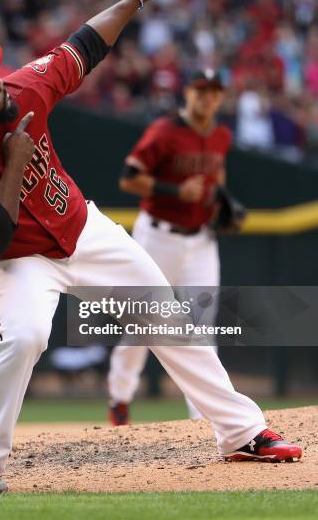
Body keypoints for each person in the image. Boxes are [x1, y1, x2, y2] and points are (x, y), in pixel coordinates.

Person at [0, 0, 302, 495]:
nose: (2, 81)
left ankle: (242, 431)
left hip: (81, 228)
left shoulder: (21, 92)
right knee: (23, 336)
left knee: (167, 315)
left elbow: (83, 46)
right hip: (18, 259)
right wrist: (14, 169)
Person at [107, 69, 231, 424]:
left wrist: (220, 202)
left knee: (202, 327)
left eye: (214, 92)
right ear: (187, 94)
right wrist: (175, 191)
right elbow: (128, 179)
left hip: (201, 239)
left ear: (221, 98)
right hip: (157, 236)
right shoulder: (165, 131)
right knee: (143, 325)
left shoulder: (221, 135)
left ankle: (203, 415)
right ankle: (120, 397)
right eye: (201, 90)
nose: (207, 98)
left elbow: (218, 176)